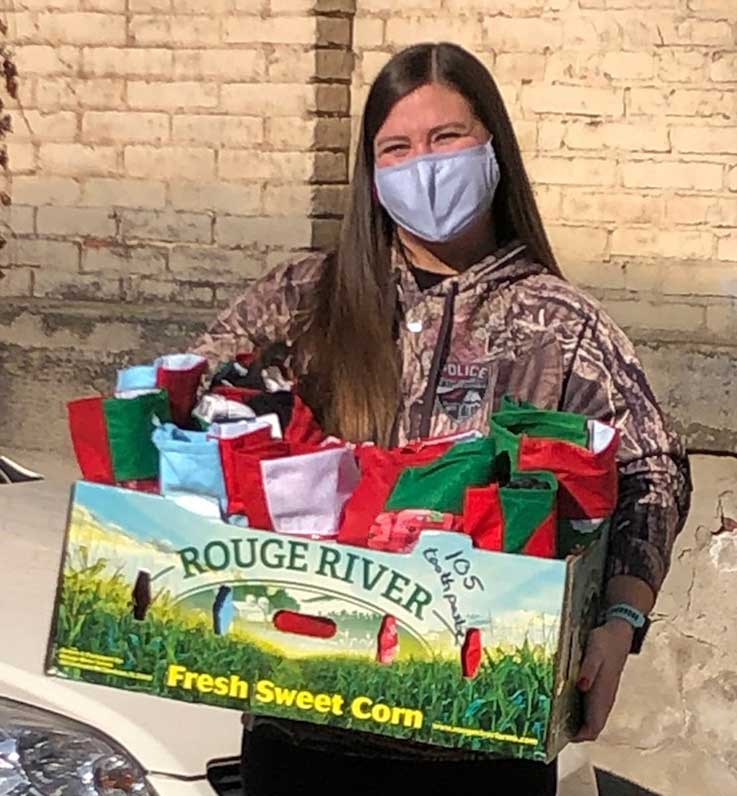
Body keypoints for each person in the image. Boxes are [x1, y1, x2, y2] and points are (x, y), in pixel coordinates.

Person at [191, 42, 691, 796]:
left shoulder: (559, 323)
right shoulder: (299, 302)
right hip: (302, 729)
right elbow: (187, 409)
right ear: (371, 171)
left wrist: (620, 619)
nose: (423, 164)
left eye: (446, 138)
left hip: (480, 746)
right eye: (397, 147)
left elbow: (650, 468)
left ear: (493, 148)